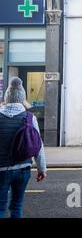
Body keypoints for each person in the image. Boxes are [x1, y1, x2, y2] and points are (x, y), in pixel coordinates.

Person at [0, 77, 47, 218]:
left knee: (0, 207)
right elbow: (38, 146)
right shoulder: (29, 117)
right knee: (17, 205)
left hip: (1, 169)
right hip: (23, 168)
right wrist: (42, 169)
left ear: (7, 97)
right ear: (22, 97)